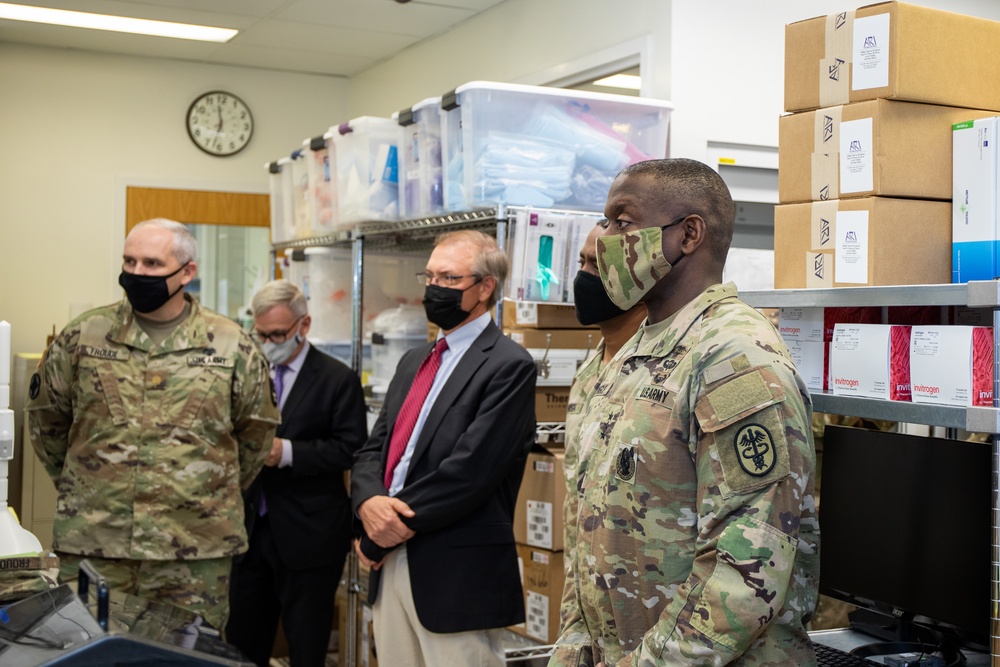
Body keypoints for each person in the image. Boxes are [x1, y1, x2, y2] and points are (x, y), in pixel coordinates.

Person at [550, 159, 820, 667]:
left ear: (689, 234)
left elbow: (748, 565)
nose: (605, 238)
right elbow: (586, 530)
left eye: (621, 222)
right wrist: (573, 649)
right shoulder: (631, 355)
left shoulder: (735, 357)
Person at [25, 218, 279, 630]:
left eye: (151, 263)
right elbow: (47, 423)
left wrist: (201, 492)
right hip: (96, 544)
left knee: (187, 658)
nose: (137, 273)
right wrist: (90, 489)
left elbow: (254, 436)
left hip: (194, 552)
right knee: (89, 656)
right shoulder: (84, 337)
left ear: (187, 272)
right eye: (129, 261)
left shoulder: (232, 345)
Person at [351, 229, 537, 667]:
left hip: (454, 572)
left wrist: (382, 531)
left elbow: (469, 472)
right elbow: (373, 450)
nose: (434, 288)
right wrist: (368, 503)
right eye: (430, 276)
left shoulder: (509, 366)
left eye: (449, 279)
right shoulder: (413, 360)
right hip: (391, 559)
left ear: (485, 287)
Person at [226, 280, 368, 667]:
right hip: (250, 531)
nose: (269, 342)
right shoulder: (249, 372)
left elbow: (351, 447)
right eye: (261, 334)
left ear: (303, 326)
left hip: (309, 535)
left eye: (278, 334)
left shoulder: (337, 379)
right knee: (241, 642)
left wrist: (286, 452)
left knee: (306, 644)